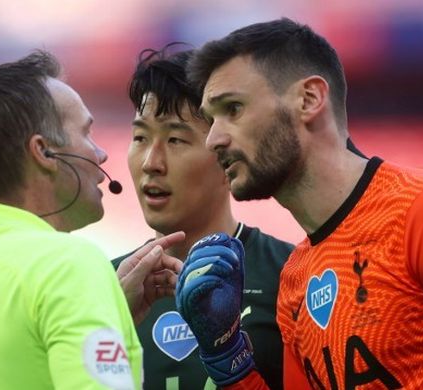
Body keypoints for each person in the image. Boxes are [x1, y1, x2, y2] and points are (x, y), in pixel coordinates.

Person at [175, 18, 423, 389]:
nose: (213, 139)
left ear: (309, 99)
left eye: (233, 110)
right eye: (211, 120)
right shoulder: (295, 277)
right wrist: (228, 357)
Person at [0, 50, 184, 390]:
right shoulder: (69, 264)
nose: (100, 154)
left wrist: (110, 311)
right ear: (44, 152)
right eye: (86, 133)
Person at [111, 45, 293, 390]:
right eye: (140, 137)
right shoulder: (104, 286)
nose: (151, 162)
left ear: (226, 155)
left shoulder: (290, 274)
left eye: (176, 139)